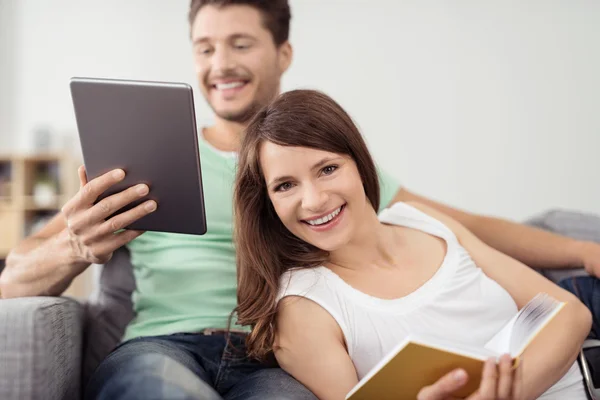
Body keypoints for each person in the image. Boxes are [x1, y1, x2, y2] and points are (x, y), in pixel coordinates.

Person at [0, 0, 597, 399]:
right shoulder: (146, 158)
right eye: (205, 48)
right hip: (166, 344)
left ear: (283, 54)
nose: (220, 64)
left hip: (277, 359)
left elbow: (465, 226)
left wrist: (580, 249)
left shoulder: (326, 168)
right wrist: (75, 248)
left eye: (239, 44)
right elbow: (12, 281)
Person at [233, 89, 592, 400]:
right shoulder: (302, 308)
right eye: (285, 186)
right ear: (268, 203)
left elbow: (571, 314)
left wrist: (508, 392)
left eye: (327, 169)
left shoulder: (420, 218)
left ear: (359, 163)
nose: (313, 200)